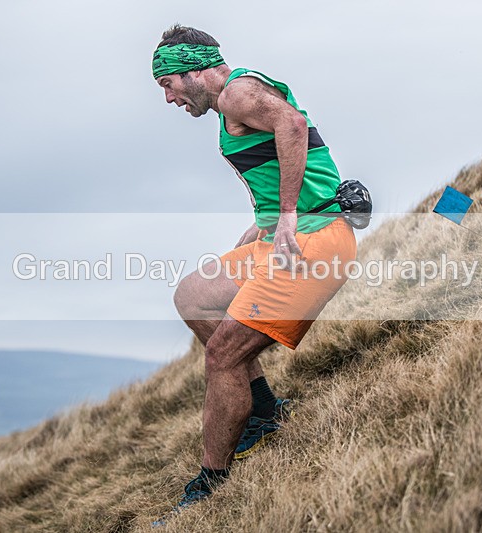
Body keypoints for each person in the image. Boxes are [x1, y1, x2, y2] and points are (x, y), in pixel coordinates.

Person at [152, 24, 357, 513]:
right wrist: (265, 221)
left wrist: (286, 216)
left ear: (191, 70)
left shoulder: (238, 93)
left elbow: (292, 127)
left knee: (223, 355)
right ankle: (263, 411)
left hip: (312, 243)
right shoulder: (237, 99)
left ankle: (210, 483)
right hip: (284, 235)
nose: (168, 98)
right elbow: (281, 155)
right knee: (193, 296)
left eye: (167, 85)